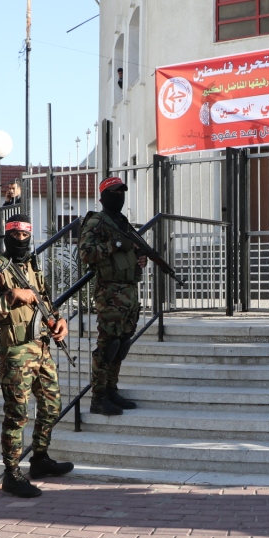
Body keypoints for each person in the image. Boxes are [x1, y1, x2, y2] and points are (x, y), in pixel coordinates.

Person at [0, 214, 73, 498]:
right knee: (17, 414)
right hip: (16, 351)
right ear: (7, 236)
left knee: (52, 406)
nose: (20, 240)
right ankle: (11, 473)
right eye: (15, 235)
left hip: (41, 348)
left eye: (25, 235)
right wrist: (11, 297)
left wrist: (59, 320)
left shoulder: (33, 264)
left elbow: (44, 301)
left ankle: (40, 458)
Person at [78, 177, 147, 416]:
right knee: (107, 345)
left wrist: (139, 257)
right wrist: (116, 243)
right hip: (109, 293)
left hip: (129, 291)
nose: (119, 196)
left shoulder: (122, 221)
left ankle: (111, 389)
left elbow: (131, 250)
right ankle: (98, 397)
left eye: (121, 192)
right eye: (114, 192)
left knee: (122, 343)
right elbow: (85, 254)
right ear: (103, 196)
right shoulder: (97, 221)